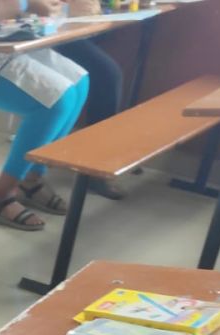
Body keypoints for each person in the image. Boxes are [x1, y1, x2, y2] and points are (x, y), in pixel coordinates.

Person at [0, 0, 89, 231]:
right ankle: (0, 198)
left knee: (81, 82)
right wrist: (28, 3)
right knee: (57, 101)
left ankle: (31, 178)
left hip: (10, 39)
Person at [55, 0, 126, 199]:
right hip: (56, 25)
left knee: (104, 75)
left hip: (83, 22)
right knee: (108, 75)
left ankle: (94, 160)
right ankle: (94, 169)